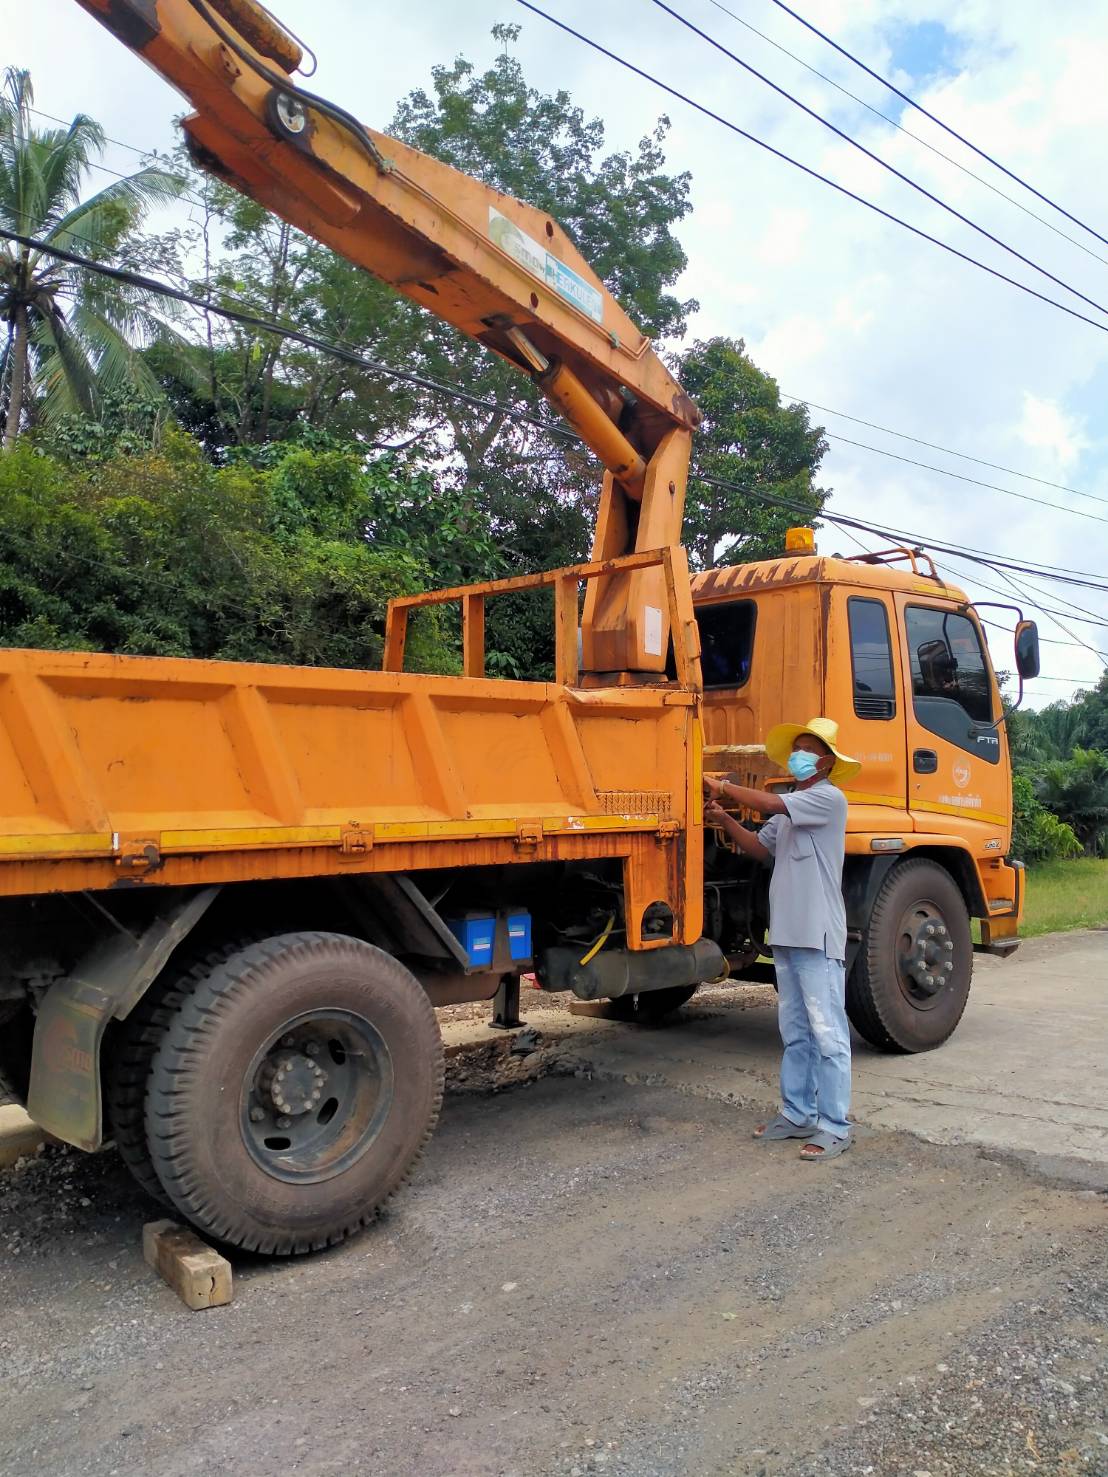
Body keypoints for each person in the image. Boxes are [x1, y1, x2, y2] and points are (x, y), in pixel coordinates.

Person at [703, 717, 861, 1162]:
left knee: (827, 1033)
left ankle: (835, 1125)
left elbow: (769, 805)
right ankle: (797, 1114)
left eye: (808, 749)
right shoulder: (792, 804)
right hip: (788, 934)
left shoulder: (828, 799)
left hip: (819, 934)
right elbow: (759, 847)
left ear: (827, 762)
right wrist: (722, 819)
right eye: (798, 748)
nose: (800, 755)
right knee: (795, 1031)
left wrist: (724, 788)